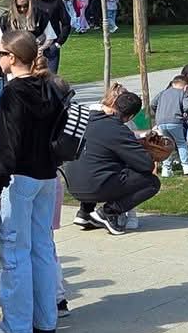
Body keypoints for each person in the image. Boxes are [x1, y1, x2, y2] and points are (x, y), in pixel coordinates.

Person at [0, 32, 69, 333]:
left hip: (20, 177)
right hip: (47, 175)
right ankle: (46, 320)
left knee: (14, 250)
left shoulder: (14, 93)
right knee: (42, 248)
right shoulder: (50, 86)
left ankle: (17, 326)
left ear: (12, 57)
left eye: (0, 53)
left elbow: (8, 145)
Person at [64, 85, 159, 234]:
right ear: (130, 117)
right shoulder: (118, 129)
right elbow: (146, 165)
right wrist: (148, 152)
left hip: (72, 184)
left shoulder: (87, 118)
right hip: (96, 186)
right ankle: (108, 212)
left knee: (96, 162)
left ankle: (85, 212)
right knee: (152, 182)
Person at [151, 72, 188, 176]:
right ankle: (186, 167)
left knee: (167, 144)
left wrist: (159, 112)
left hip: (161, 122)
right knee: (181, 143)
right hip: (175, 121)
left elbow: (153, 104)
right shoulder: (183, 93)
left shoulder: (162, 93)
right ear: (186, 87)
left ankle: (166, 169)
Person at [27, 0, 72, 73]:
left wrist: (58, 43)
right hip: (33, 47)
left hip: (51, 46)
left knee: (50, 78)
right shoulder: (28, 3)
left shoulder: (55, 1)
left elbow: (66, 22)